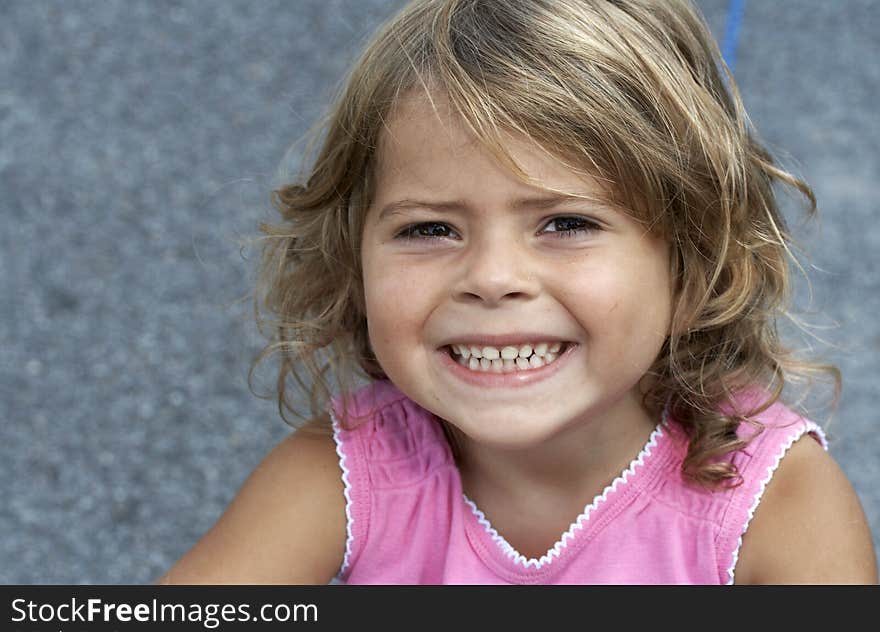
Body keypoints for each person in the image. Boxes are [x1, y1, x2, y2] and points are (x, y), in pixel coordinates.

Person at [159, 0, 877, 584]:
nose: (493, 277)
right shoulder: (345, 472)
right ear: (354, 264)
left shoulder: (777, 504)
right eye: (430, 229)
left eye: (566, 223)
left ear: (693, 271)